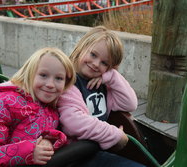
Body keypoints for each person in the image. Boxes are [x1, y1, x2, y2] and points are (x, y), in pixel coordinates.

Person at [0, 47, 76, 167]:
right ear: (29, 74)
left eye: (59, 78)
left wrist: (50, 141)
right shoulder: (1, 103)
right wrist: (28, 152)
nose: (50, 84)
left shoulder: (50, 106)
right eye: (43, 75)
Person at [57, 26, 145, 167]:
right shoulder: (68, 81)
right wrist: (115, 135)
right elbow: (73, 123)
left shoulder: (103, 86)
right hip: (72, 156)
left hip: (95, 152)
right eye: (93, 55)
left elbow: (130, 103)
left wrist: (111, 77)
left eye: (104, 63)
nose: (96, 64)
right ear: (82, 47)